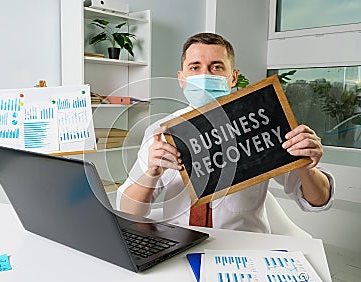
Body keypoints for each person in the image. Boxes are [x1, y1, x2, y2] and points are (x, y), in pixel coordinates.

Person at [116, 32, 335, 233]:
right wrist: (151, 174)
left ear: (232, 78)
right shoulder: (161, 133)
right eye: (195, 67)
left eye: (216, 67)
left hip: (245, 250)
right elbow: (127, 210)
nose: (204, 75)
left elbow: (319, 201)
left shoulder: (265, 123)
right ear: (182, 78)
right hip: (179, 248)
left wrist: (306, 166)